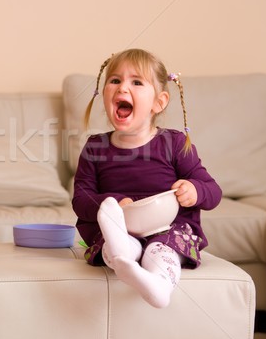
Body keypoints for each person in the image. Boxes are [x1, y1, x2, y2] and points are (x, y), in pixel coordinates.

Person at [72, 48, 222, 308]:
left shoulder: (174, 143)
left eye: (137, 82)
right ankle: (123, 259)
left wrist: (195, 190)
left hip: (168, 232)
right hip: (120, 232)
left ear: (159, 102)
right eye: (115, 80)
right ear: (104, 93)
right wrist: (111, 203)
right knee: (113, 238)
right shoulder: (95, 146)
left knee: (159, 252)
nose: (122, 88)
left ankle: (158, 287)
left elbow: (213, 191)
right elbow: (81, 200)